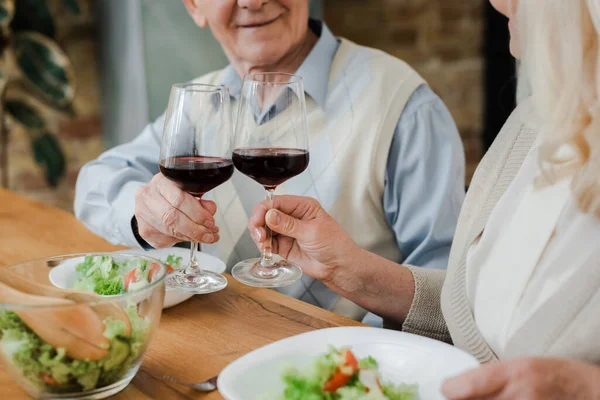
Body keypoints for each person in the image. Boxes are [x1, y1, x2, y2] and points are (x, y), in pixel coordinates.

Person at [246, 0, 600, 398]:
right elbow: (470, 315)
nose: (497, 2)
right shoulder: (532, 121)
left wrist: (585, 387)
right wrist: (348, 270)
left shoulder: (401, 101)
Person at [75, 0, 465, 324]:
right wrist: (143, 213)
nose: (252, 1)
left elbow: (454, 296)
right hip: (211, 363)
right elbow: (96, 180)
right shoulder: (200, 103)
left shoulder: (405, 106)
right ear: (194, 5)